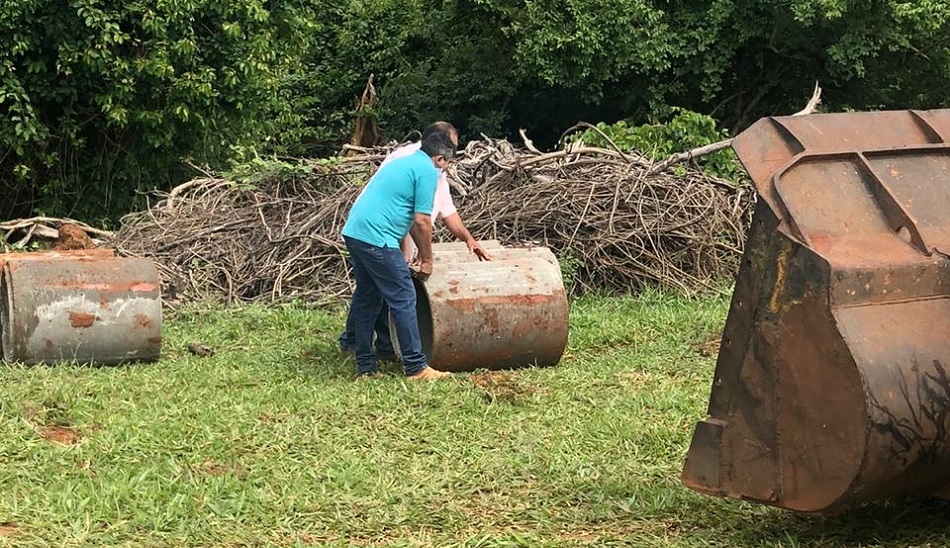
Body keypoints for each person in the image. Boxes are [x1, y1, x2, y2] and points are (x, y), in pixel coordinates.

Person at [338, 122, 491, 359]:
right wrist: (420, 256)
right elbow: (419, 219)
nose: (452, 156)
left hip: (364, 231)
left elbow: (445, 210)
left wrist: (468, 239)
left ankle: (365, 358)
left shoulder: (431, 168)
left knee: (371, 292)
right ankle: (411, 361)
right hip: (386, 233)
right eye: (450, 150)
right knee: (401, 294)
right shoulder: (418, 164)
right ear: (437, 150)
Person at [341, 130, 455, 380]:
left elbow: (413, 222)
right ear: (439, 159)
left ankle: (366, 367)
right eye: (446, 164)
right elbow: (423, 221)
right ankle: (416, 367)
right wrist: (427, 260)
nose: (445, 169)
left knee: (367, 297)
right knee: (404, 296)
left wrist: (416, 252)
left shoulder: (405, 162)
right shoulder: (427, 171)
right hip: (375, 238)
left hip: (355, 232)